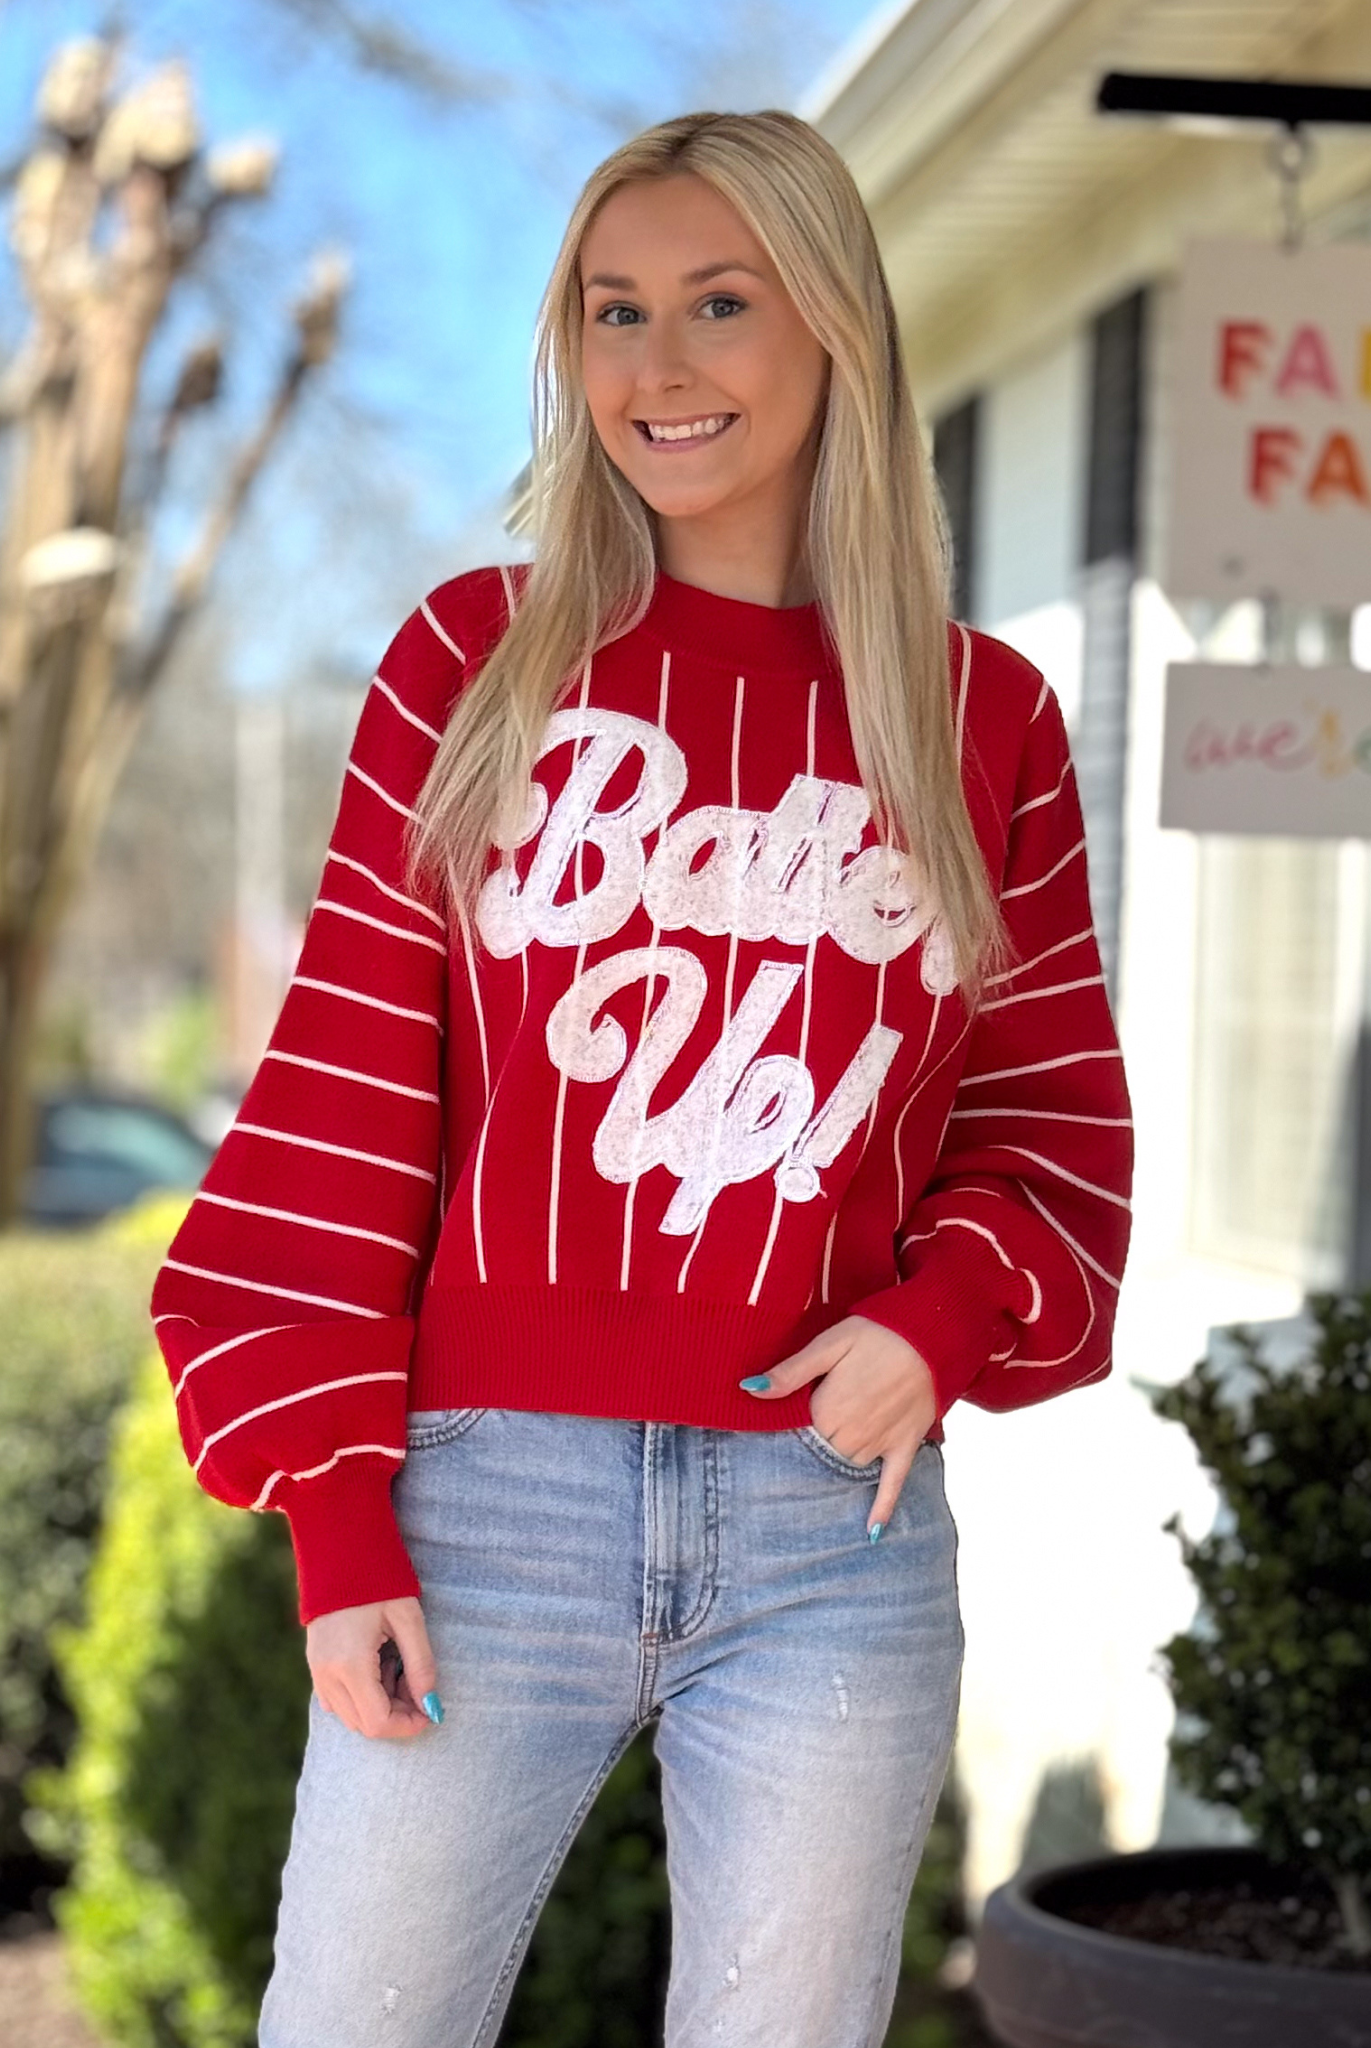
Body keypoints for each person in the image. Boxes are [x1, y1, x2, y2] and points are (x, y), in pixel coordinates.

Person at [149, 107, 1134, 2048]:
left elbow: (1047, 1122)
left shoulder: (981, 720)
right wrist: (340, 1517)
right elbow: (343, 1104)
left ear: (831, 328)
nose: (655, 368)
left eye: (714, 305)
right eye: (612, 314)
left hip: (826, 1537)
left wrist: (936, 1315)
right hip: (478, 1511)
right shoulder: (477, 664)